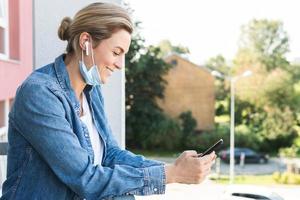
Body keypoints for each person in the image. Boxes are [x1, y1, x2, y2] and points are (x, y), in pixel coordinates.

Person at [0, 2, 216, 200]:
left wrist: (175, 167)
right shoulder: (40, 94)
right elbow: (85, 178)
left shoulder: (91, 92)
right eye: (116, 52)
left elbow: (110, 155)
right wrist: (172, 174)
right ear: (85, 42)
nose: (120, 64)